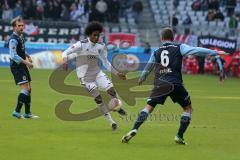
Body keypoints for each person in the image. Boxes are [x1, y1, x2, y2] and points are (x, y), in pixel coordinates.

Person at [121, 27, 225, 144]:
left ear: (161, 38)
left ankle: (134, 128)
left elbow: (148, 67)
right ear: (173, 38)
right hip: (175, 83)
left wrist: (142, 78)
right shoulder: (179, 47)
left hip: (160, 83)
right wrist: (215, 52)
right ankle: (179, 136)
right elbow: (196, 50)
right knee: (188, 108)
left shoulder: (156, 51)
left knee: (148, 108)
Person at [62, 21, 127, 131]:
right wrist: (64, 61)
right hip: (84, 77)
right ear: (89, 34)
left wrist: (117, 73)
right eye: (94, 35)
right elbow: (65, 53)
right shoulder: (81, 44)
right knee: (98, 98)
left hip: (97, 73)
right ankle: (112, 123)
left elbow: (105, 62)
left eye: (98, 35)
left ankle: (116, 106)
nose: (97, 37)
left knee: (111, 91)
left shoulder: (101, 46)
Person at [9, 16, 39, 119]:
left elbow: (20, 50)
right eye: (19, 26)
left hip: (22, 65)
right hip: (17, 67)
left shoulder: (20, 37)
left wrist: (28, 56)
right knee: (25, 89)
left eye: (22, 25)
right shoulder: (13, 39)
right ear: (14, 27)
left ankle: (27, 113)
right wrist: (27, 62)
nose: (22, 27)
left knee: (29, 89)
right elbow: (13, 55)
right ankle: (17, 111)